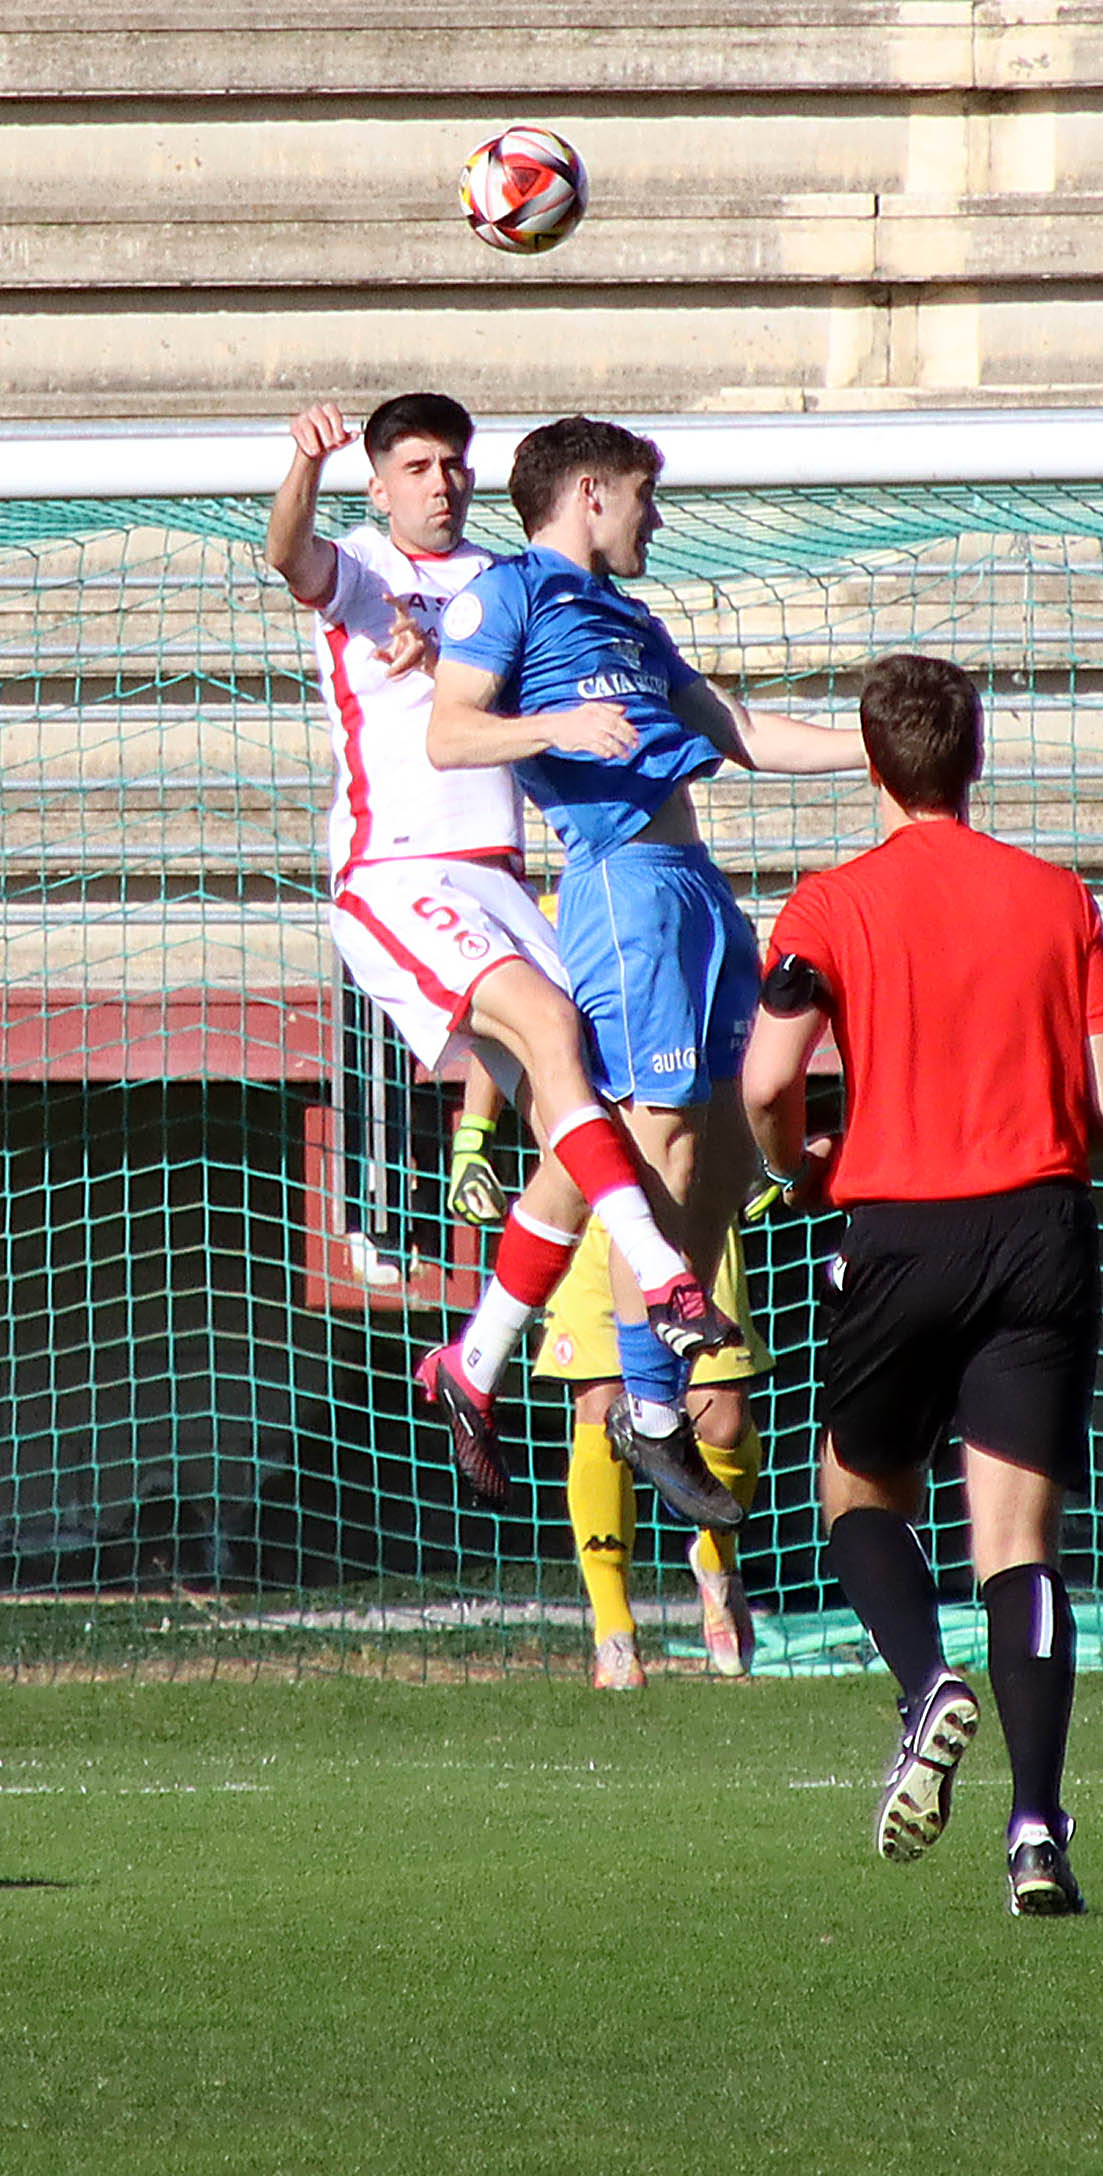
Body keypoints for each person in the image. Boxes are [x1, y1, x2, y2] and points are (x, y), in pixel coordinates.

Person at [258, 395, 739, 1529]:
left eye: (453, 465)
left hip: (504, 879)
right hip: (401, 868)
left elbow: (519, 683)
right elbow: (285, 553)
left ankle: (472, 1364)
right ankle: (666, 1283)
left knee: (590, 1135)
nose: (440, 483)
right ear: (377, 485)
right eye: (416, 467)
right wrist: (299, 465)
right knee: (556, 1035)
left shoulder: (507, 585)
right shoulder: (363, 569)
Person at [742, 654, 1103, 1918]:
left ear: (870, 764)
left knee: (856, 1487)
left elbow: (765, 1082)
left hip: (899, 1227)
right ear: (976, 758)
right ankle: (1036, 1831)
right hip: (1040, 1229)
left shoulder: (826, 907)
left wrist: (798, 1161)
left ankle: (924, 1683)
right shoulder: (1058, 896)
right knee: (1017, 1544)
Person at [426, 416, 866, 1522]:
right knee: (656, 1137)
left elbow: (741, 730)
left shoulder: (629, 615)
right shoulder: (510, 594)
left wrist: (882, 745)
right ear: (588, 494)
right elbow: (450, 733)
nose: (655, 519)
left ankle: (655, 1391)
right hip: (619, 884)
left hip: (697, 884)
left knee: (718, 1160)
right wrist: (554, 721)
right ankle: (654, 1409)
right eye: (643, 497)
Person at [533, 1222, 765, 1688]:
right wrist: (470, 1148)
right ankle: (614, 1631)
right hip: (595, 1214)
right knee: (601, 1409)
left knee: (724, 1420)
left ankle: (717, 1559)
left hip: (692, 1214)